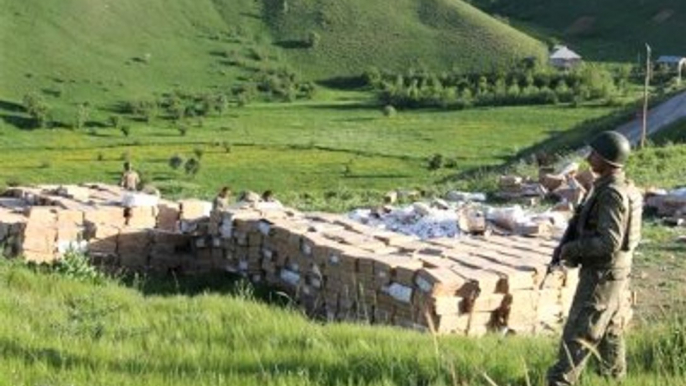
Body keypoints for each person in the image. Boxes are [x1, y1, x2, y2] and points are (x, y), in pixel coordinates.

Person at [547, 131, 643, 386]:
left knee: (578, 335)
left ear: (608, 160)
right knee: (611, 334)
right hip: (616, 274)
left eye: (594, 154)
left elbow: (609, 242)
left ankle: (561, 381)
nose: (589, 158)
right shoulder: (626, 187)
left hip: (601, 276)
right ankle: (614, 380)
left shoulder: (611, 193)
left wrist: (572, 249)